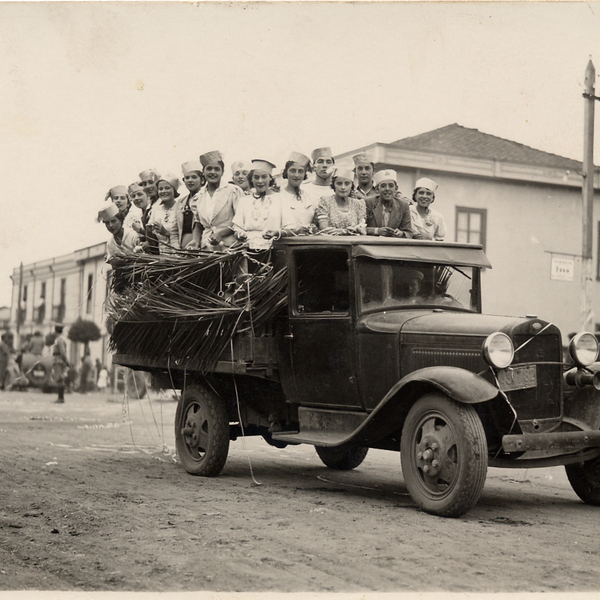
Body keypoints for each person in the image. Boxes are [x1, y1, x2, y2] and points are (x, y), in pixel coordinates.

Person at [188, 150, 244, 251]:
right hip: (207, 247)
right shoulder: (198, 197)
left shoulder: (233, 191)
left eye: (217, 169)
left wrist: (221, 233)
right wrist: (195, 241)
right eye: (209, 169)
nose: (212, 172)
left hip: (230, 246)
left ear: (222, 172)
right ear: (203, 172)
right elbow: (198, 223)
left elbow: (241, 220)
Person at [233, 159, 283, 251]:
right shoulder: (244, 201)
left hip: (273, 249)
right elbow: (237, 229)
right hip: (248, 249)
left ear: (270, 178)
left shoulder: (280, 199)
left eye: (264, 177)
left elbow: (290, 228)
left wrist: (276, 233)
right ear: (251, 179)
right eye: (256, 177)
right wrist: (242, 234)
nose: (260, 181)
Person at [276, 151, 317, 236]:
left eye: (300, 171)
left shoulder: (309, 197)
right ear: (286, 172)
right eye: (293, 171)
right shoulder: (278, 196)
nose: (296, 175)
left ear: (305, 174)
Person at [316, 167, 366, 234]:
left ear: (352, 186)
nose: (343, 187)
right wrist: (347, 231)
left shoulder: (359, 204)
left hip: (354, 243)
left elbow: (362, 229)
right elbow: (324, 229)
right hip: (332, 243)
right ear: (334, 185)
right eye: (339, 184)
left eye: (347, 184)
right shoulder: (325, 202)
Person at [366, 170, 413, 238]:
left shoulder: (403, 205)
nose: (387, 189)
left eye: (391, 186)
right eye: (383, 186)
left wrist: (401, 233)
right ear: (377, 189)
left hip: (393, 246)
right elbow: (360, 228)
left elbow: (409, 233)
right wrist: (377, 231)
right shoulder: (368, 203)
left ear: (396, 189)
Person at [147, 174, 181, 254]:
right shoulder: (156, 210)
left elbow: (184, 236)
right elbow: (152, 238)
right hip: (162, 256)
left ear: (174, 190)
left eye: (167, 188)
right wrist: (149, 231)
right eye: (160, 189)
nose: (163, 191)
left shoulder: (180, 208)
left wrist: (165, 232)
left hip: (179, 254)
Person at [178, 160, 203, 249]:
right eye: (187, 178)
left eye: (194, 177)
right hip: (183, 246)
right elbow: (175, 230)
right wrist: (176, 248)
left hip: (201, 245)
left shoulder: (205, 198)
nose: (190, 180)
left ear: (202, 180)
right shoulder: (181, 202)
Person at [128, 182, 159, 254]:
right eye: (133, 196)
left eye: (139, 194)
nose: (136, 198)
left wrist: (140, 230)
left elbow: (156, 237)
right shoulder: (139, 215)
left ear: (147, 195)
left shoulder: (154, 210)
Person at [51, 324, 70, 403]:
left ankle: (61, 398)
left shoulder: (60, 340)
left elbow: (62, 352)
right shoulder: (59, 339)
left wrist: (66, 362)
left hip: (59, 360)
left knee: (60, 379)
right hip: (58, 360)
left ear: (56, 331)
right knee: (59, 379)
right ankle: (60, 397)